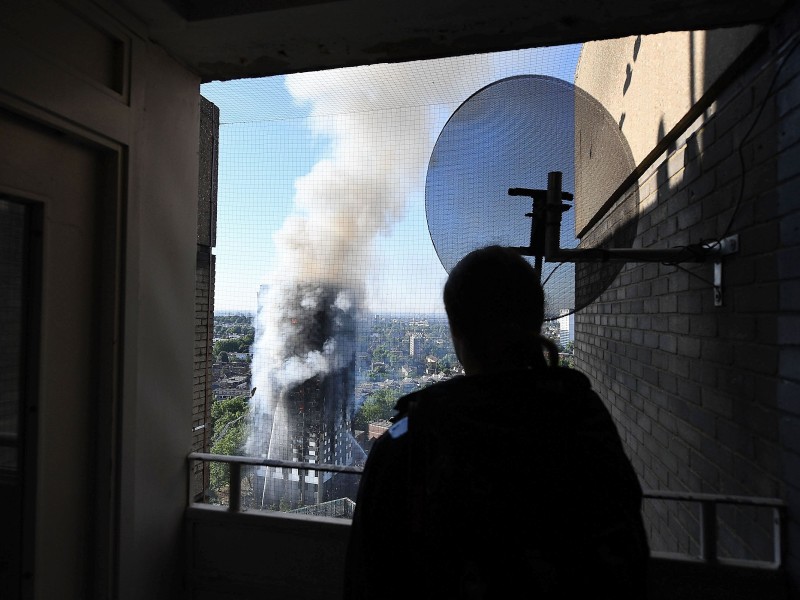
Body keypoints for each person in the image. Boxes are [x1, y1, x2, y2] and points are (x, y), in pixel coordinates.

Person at [343, 245, 650, 600]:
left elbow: (367, 579)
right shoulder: (584, 420)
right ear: (536, 321)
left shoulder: (412, 441)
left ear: (458, 334)